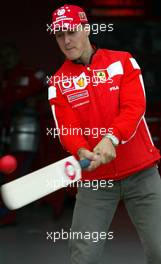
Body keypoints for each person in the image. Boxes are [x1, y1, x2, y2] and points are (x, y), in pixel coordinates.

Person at [48, 4, 161, 264]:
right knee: (83, 257)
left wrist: (111, 138)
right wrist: (80, 150)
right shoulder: (58, 82)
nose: (66, 40)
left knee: (159, 250)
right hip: (95, 180)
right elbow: (67, 129)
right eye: (59, 35)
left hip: (141, 173)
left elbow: (134, 108)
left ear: (87, 29)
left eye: (72, 32)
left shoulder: (123, 61)